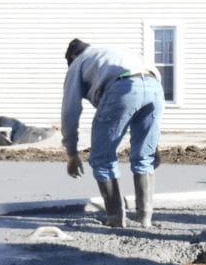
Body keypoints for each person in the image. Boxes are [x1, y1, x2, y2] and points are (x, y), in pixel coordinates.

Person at [61, 39, 165, 228]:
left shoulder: (78, 62)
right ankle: (145, 218)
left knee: (102, 159)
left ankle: (116, 218)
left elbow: (70, 110)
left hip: (122, 87)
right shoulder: (111, 52)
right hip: (155, 87)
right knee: (144, 157)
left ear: (72, 56)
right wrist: (152, 145)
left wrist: (71, 153)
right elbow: (142, 90)